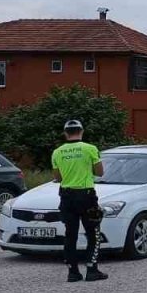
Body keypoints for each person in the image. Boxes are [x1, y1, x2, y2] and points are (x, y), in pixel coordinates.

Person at [51, 120, 108, 282]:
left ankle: (73, 272)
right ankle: (92, 269)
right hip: (86, 195)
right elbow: (100, 172)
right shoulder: (90, 149)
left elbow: (57, 177)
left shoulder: (57, 152)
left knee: (70, 235)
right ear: (81, 131)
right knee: (93, 233)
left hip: (67, 196)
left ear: (65, 133)